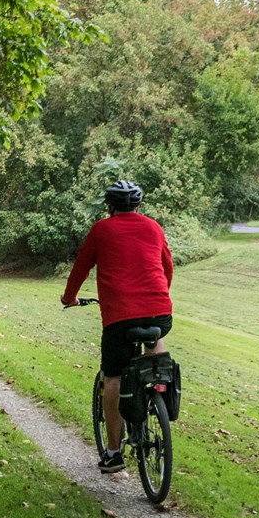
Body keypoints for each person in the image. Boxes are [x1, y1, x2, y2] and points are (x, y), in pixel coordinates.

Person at [61, 180, 173, 473]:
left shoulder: (102, 229)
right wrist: (159, 298)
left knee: (112, 377)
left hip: (120, 317)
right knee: (155, 344)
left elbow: (81, 267)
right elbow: (167, 267)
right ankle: (158, 386)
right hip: (160, 312)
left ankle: (113, 453)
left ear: (109, 207)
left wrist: (69, 298)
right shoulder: (153, 227)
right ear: (138, 206)